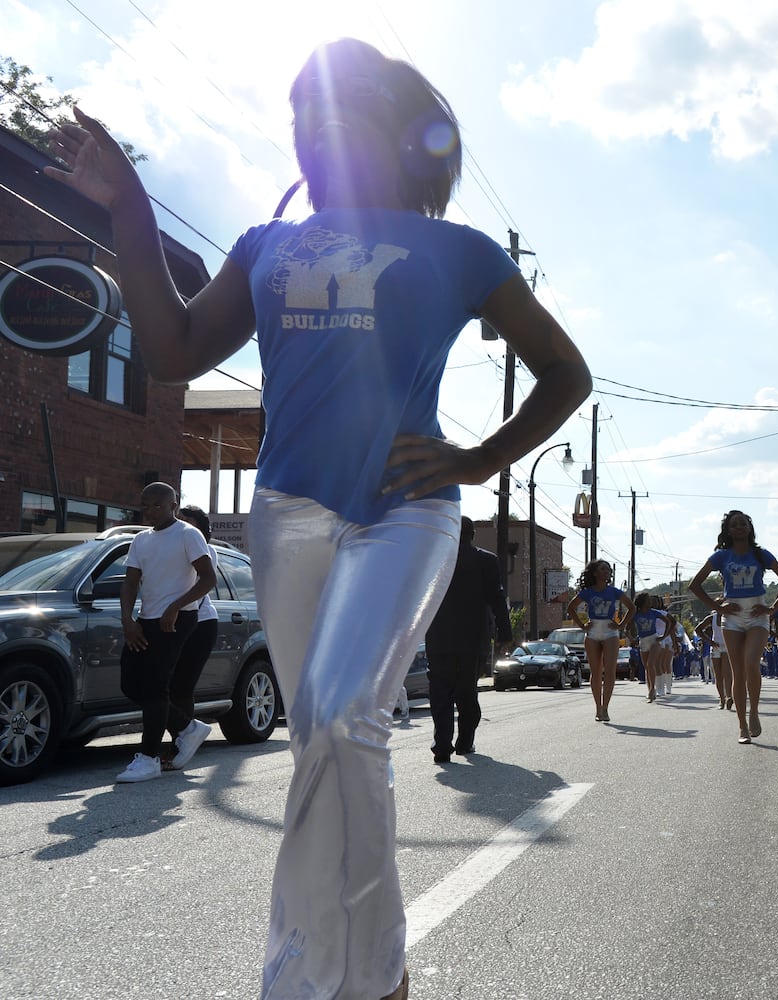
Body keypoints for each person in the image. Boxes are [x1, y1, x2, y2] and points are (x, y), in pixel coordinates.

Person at [47, 37, 591, 1000]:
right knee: (325, 746)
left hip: (407, 514)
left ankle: (302, 979)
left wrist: (477, 459)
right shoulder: (266, 245)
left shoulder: (458, 251)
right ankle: (380, 979)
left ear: (391, 128)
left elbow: (567, 373)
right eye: (300, 115)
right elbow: (170, 349)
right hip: (287, 516)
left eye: (335, 109)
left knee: (345, 719)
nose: (314, 128)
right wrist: (130, 208)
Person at [114, 483, 217, 783]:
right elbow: (130, 582)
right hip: (146, 620)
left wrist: (177, 606)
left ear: (173, 504)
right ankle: (187, 728)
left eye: (156, 505)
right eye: (145, 504)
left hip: (177, 619)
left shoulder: (188, 534)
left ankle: (148, 759)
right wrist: (127, 620)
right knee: (131, 684)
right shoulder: (141, 540)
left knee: (156, 687)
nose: (149, 510)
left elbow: (207, 578)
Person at [688, 510, 778, 744]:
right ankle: (741, 726)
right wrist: (719, 608)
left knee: (751, 663)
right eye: (734, 524)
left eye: (743, 523)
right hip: (733, 617)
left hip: (758, 613)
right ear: (728, 530)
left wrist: (771, 609)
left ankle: (754, 712)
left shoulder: (761, 554)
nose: (739, 527)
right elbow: (694, 585)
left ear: (750, 528)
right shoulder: (721, 556)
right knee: (738, 671)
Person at [427, 516, 508, 763]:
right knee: (467, 692)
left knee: (440, 691)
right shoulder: (486, 560)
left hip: (438, 635)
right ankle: (464, 742)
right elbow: (497, 598)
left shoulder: (433, 559)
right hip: (472, 638)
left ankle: (442, 744)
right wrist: (505, 632)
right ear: (472, 534)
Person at [162, 504, 220, 771]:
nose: (183, 525)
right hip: (170, 622)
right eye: (180, 519)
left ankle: (180, 746)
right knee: (168, 686)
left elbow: (199, 583)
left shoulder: (206, 550)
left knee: (182, 686)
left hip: (199, 623)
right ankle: (183, 739)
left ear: (201, 527)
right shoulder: (169, 546)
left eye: (189, 521)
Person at [568, 561, 633, 722]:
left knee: (610, 670)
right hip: (593, 630)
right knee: (596, 671)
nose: (606, 572)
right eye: (602, 569)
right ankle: (598, 708)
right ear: (595, 573)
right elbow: (571, 607)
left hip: (610, 630)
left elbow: (632, 607)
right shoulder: (588, 592)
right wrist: (582, 625)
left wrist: (621, 625)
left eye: (608, 570)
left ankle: (606, 707)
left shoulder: (614, 592)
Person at [631, 592, 668, 703]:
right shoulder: (636, 615)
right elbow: (626, 629)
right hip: (643, 640)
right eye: (648, 600)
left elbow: (669, 622)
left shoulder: (654, 613)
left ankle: (653, 689)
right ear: (642, 602)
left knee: (651, 664)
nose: (650, 602)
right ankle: (650, 690)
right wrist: (632, 639)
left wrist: (663, 636)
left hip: (654, 639)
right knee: (647, 667)